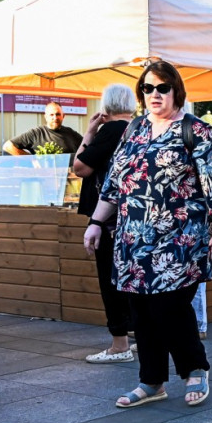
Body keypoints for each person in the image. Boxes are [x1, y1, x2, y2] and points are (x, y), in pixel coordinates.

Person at [83, 62, 212, 408]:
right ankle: (151, 380)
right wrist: (95, 222)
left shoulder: (196, 130)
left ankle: (195, 367)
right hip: (133, 238)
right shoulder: (134, 129)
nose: (154, 94)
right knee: (142, 311)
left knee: (170, 306)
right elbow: (115, 182)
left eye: (161, 88)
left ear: (176, 90)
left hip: (181, 239)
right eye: (148, 89)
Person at [73, 84, 134, 363]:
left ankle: (119, 344)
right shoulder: (139, 127)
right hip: (134, 216)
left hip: (107, 217)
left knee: (109, 279)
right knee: (131, 279)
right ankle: (135, 335)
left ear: (106, 105)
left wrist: (89, 132)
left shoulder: (110, 130)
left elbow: (80, 167)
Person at [3, 102, 83, 156]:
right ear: (46, 117)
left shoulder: (71, 133)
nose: (55, 117)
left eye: (58, 114)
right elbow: (8, 146)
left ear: (63, 116)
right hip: (44, 178)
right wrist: (31, 160)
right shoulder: (36, 134)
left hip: (68, 178)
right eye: (51, 114)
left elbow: (87, 146)